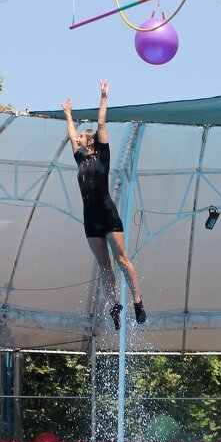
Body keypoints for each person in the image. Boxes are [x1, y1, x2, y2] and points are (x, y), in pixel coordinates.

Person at [62, 80, 146, 330]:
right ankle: (114, 305)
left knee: (121, 259)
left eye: (82, 137)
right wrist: (68, 114)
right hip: (91, 219)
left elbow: (100, 124)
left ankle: (138, 301)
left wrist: (103, 98)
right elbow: (70, 134)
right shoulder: (79, 159)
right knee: (104, 265)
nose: (78, 138)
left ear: (91, 141)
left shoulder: (103, 155)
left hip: (108, 215)